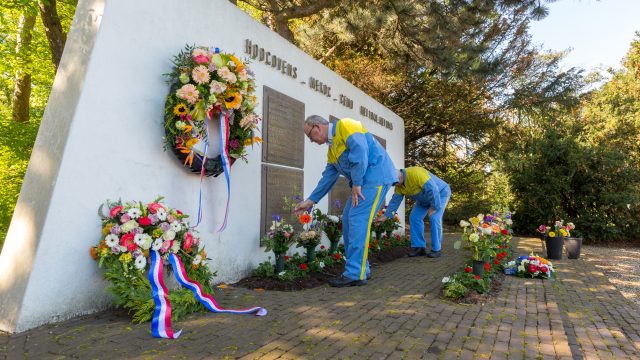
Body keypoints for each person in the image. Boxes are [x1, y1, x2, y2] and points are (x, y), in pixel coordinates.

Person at [294, 115, 398, 287]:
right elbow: (328, 177)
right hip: (363, 182)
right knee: (349, 220)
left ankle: (355, 273)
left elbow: (360, 151)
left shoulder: (345, 125)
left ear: (318, 127)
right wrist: (311, 201)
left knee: (357, 221)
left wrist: (356, 183)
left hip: (375, 177)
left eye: (309, 135)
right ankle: (360, 269)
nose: (311, 140)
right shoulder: (332, 149)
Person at [376, 167, 451, 258]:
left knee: (434, 218)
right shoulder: (399, 186)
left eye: (395, 183)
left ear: (400, 176)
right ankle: (419, 247)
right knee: (414, 217)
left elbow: (432, 189)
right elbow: (395, 201)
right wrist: (386, 216)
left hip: (440, 193)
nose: (396, 186)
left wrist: (434, 206)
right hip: (424, 199)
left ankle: (436, 249)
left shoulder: (416, 173)